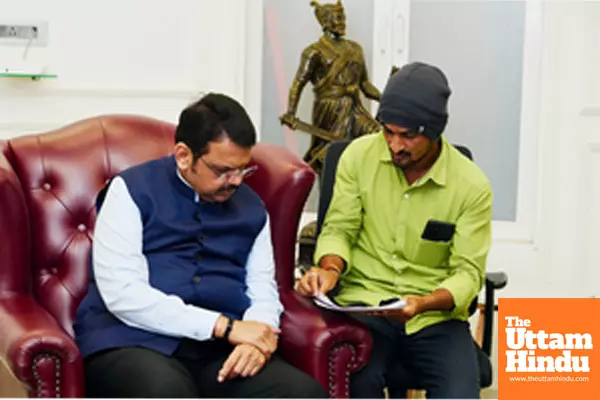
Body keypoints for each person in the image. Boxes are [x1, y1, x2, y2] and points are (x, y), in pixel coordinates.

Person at [74, 93, 327, 398]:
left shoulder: (252, 207)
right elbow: (124, 294)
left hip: (217, 351)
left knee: (302, 393)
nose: (235, 181)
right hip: (133, 341)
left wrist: (256, 339)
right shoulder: (129, 191)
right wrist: (224, 326)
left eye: (243, 169)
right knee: (165, 391)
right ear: (183, 156)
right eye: (222, 171)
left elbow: (262, 289)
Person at [296, 62, 493, 399]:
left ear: (434, 131)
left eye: (408, 136)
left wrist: (423, 303)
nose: (394, 145)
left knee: (460, 394)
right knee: (356, 382)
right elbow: (339, 228)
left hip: (434, 318)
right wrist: (329, 269)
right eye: (388, 131)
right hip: (366, 307)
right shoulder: (358, 157)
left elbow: (468, 273)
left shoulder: (471, 185)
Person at [279, 0, 381, 176]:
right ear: (325, 22)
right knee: (329, 157)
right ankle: (328, 197)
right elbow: (299, 82)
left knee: (376, 135)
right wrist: (290, 113)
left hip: (354, 106)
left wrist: (385, 99)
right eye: (337, 18)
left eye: (343, 17)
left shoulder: (355, 49)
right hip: (329, 109)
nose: (342, 22)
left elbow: (364, 84)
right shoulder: (314, 52)